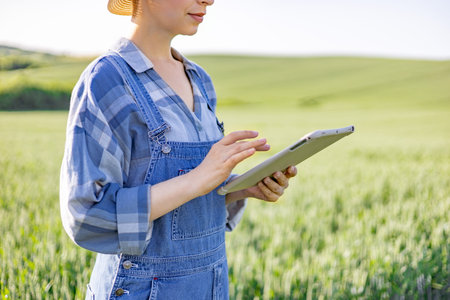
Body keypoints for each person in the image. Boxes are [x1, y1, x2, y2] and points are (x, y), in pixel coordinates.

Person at [60, 0, 297, 299]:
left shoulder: (200, 79)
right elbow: (87, 215)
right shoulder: (106, 80)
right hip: (141, 290)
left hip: (211, 285)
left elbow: (189, 198)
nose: (208, 1)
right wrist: (196, 180)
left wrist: (240, 189)